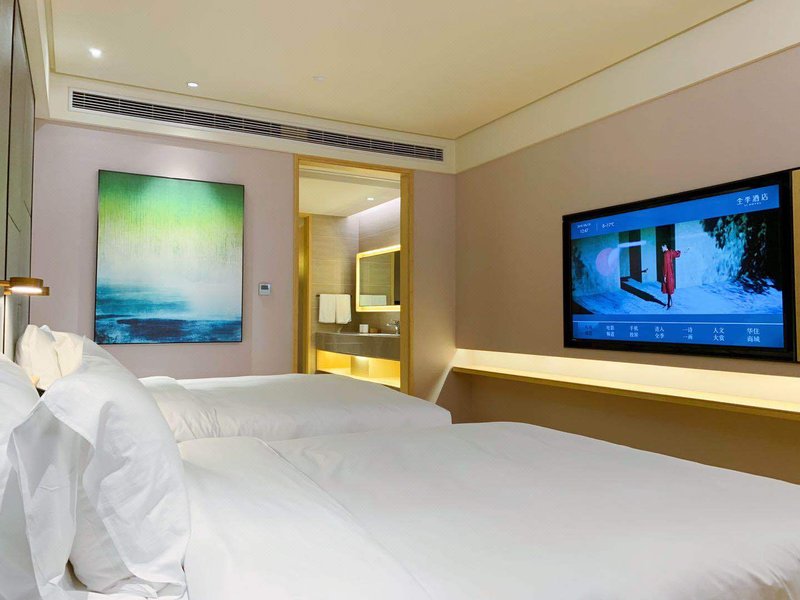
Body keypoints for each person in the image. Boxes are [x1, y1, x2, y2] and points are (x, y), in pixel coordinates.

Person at [661, 244, 686, 309]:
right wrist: (679, 252)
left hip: (667, 273)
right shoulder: (671, 252)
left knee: (668, 288)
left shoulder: (665, 254)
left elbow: (665, 266)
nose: (661, 249)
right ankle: (669, 303)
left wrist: (664, 276)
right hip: (671, 273)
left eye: (662, 247)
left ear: (665, 246)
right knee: (669, 288)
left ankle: (669, 303)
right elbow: (677, 254)